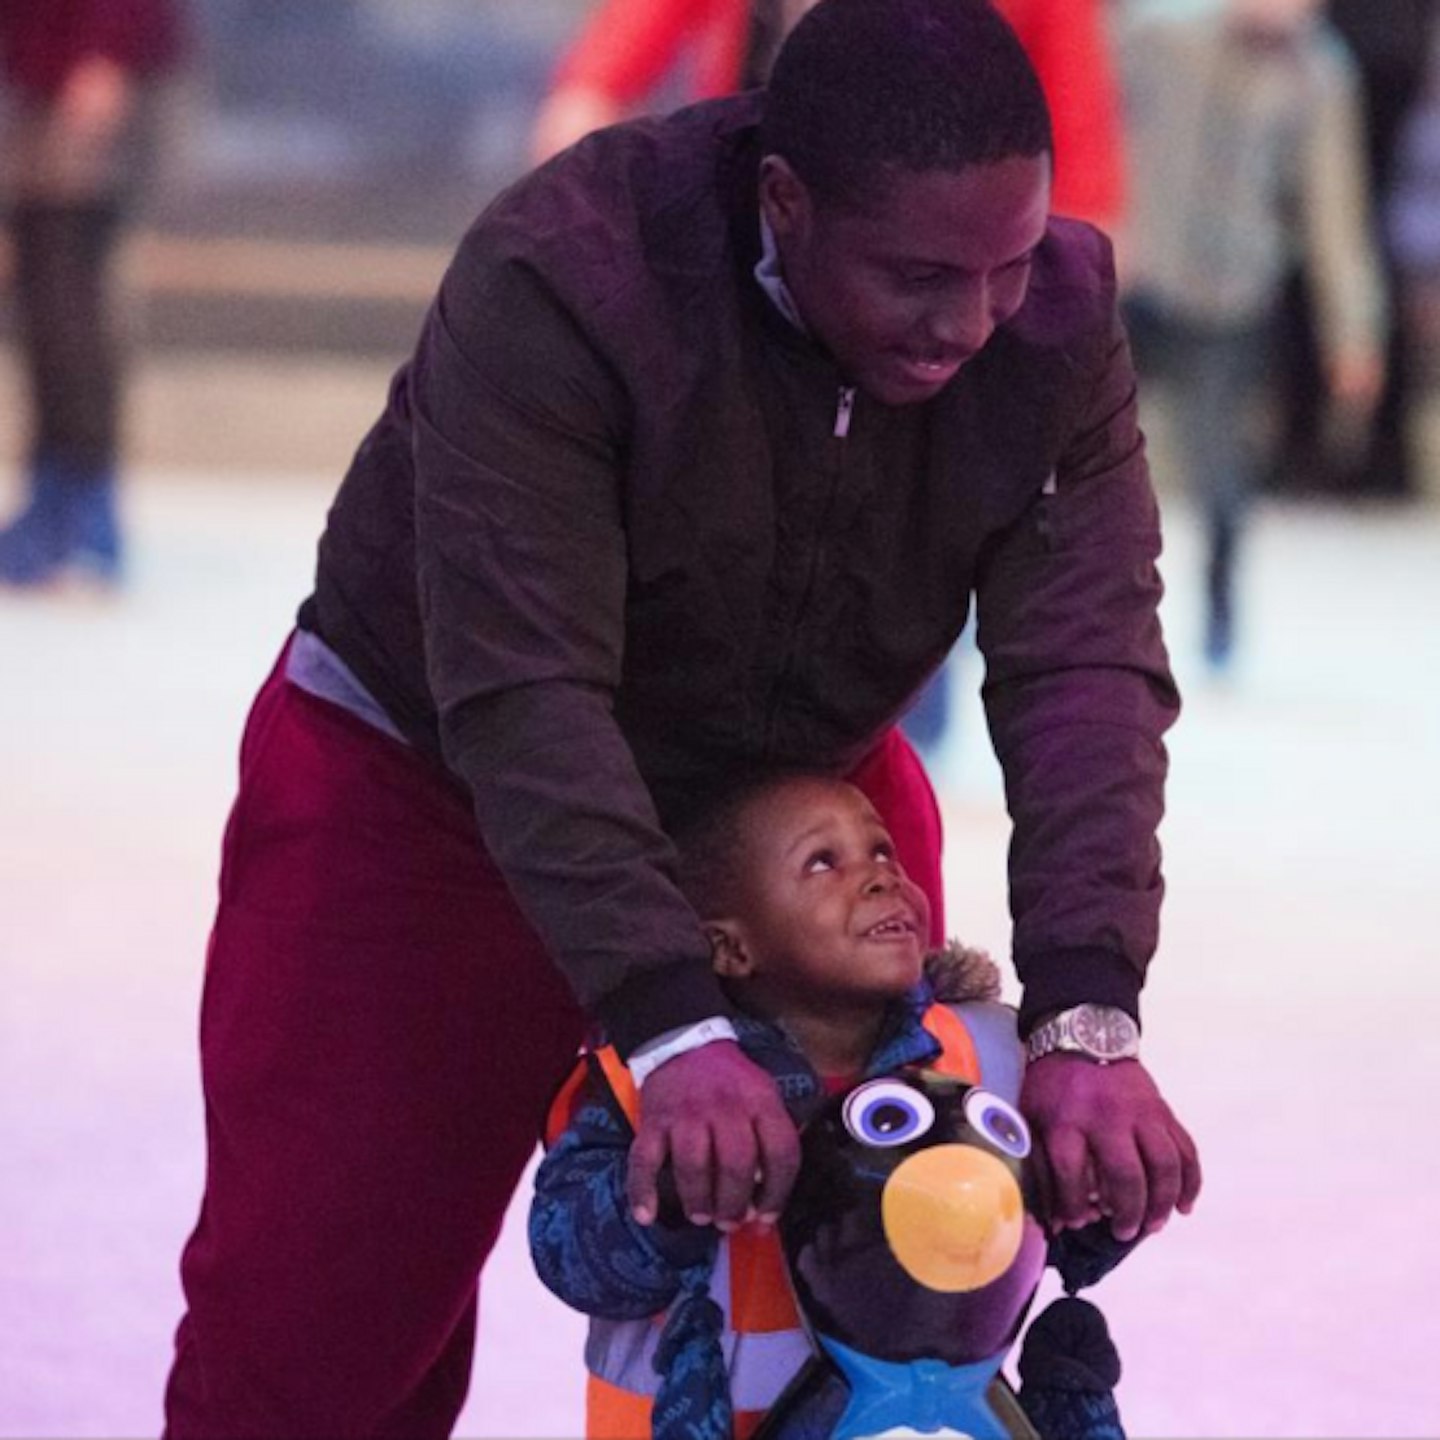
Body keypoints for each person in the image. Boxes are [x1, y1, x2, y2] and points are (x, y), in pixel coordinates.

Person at [162, 1, 1200, 1433]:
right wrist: (668, 1025)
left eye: (1006, 268)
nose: (968, 325)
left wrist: (1089, 1012)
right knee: (318, 1323)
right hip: (427, 788)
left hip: (792, 820)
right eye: (916, 276)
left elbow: (1084, 661)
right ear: (786, 202)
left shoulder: (1057, 324)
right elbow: (522, 685)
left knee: (874, 1286)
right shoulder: (569, 282)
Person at [530, 771, 1116, 1440]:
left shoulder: (984, 1057)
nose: (878, 878)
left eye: (882, 851)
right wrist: (669, 1192)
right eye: (822, 862)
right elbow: (573, 1262)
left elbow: (1055, 1241)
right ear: (731, 947)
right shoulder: (655, 1088)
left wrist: (1101, 1198)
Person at [1116, 0, 1387, 669]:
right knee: (1079, 458)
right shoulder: (1157, 35)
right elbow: (1088, 123)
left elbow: (1334, 210)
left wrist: (1353, 332)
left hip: (1233, 293)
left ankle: (1220, 610)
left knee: (1223, 471)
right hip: (1134, 275)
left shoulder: (1321, 74)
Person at [0, 0, 188, 588]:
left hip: (91, 71)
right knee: (44, 302)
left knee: (71, 300)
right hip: (39, 74)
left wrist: (106, 49)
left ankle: (85, 512)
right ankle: (54, 498)